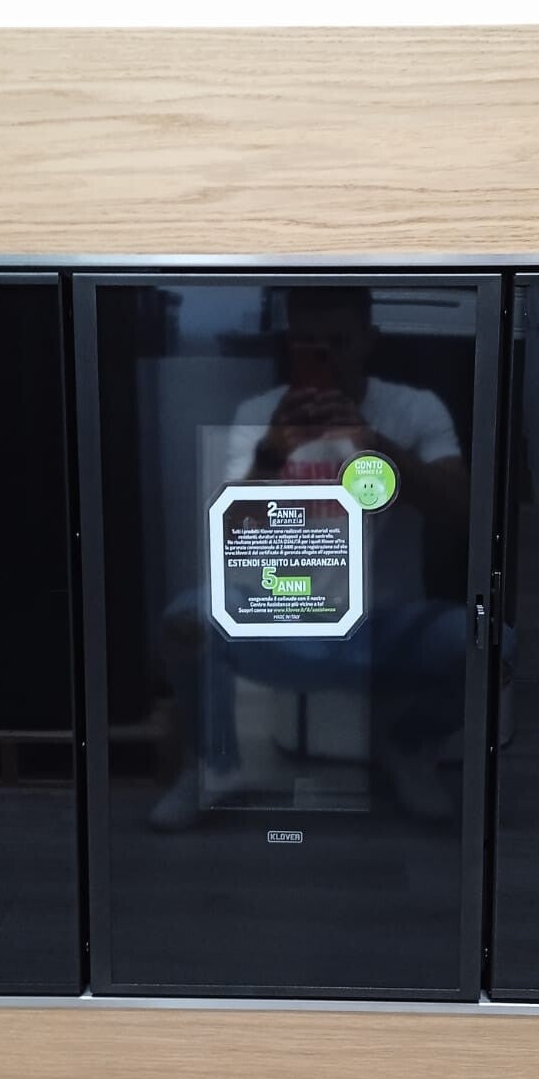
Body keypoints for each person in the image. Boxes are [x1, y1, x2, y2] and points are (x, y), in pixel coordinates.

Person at [150, 287, 470, 831]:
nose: (324, 356)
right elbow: (229, 538)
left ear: (369, 340)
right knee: (185, 621)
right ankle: (212, 764)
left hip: (384, 627)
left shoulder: (415, 409)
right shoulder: (259, 415)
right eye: (307, 343)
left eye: (338, 343)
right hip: (286, 618)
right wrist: (271, 454)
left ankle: (409, 746)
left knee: (491, 645)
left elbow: (461, 510)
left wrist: (373, 444)